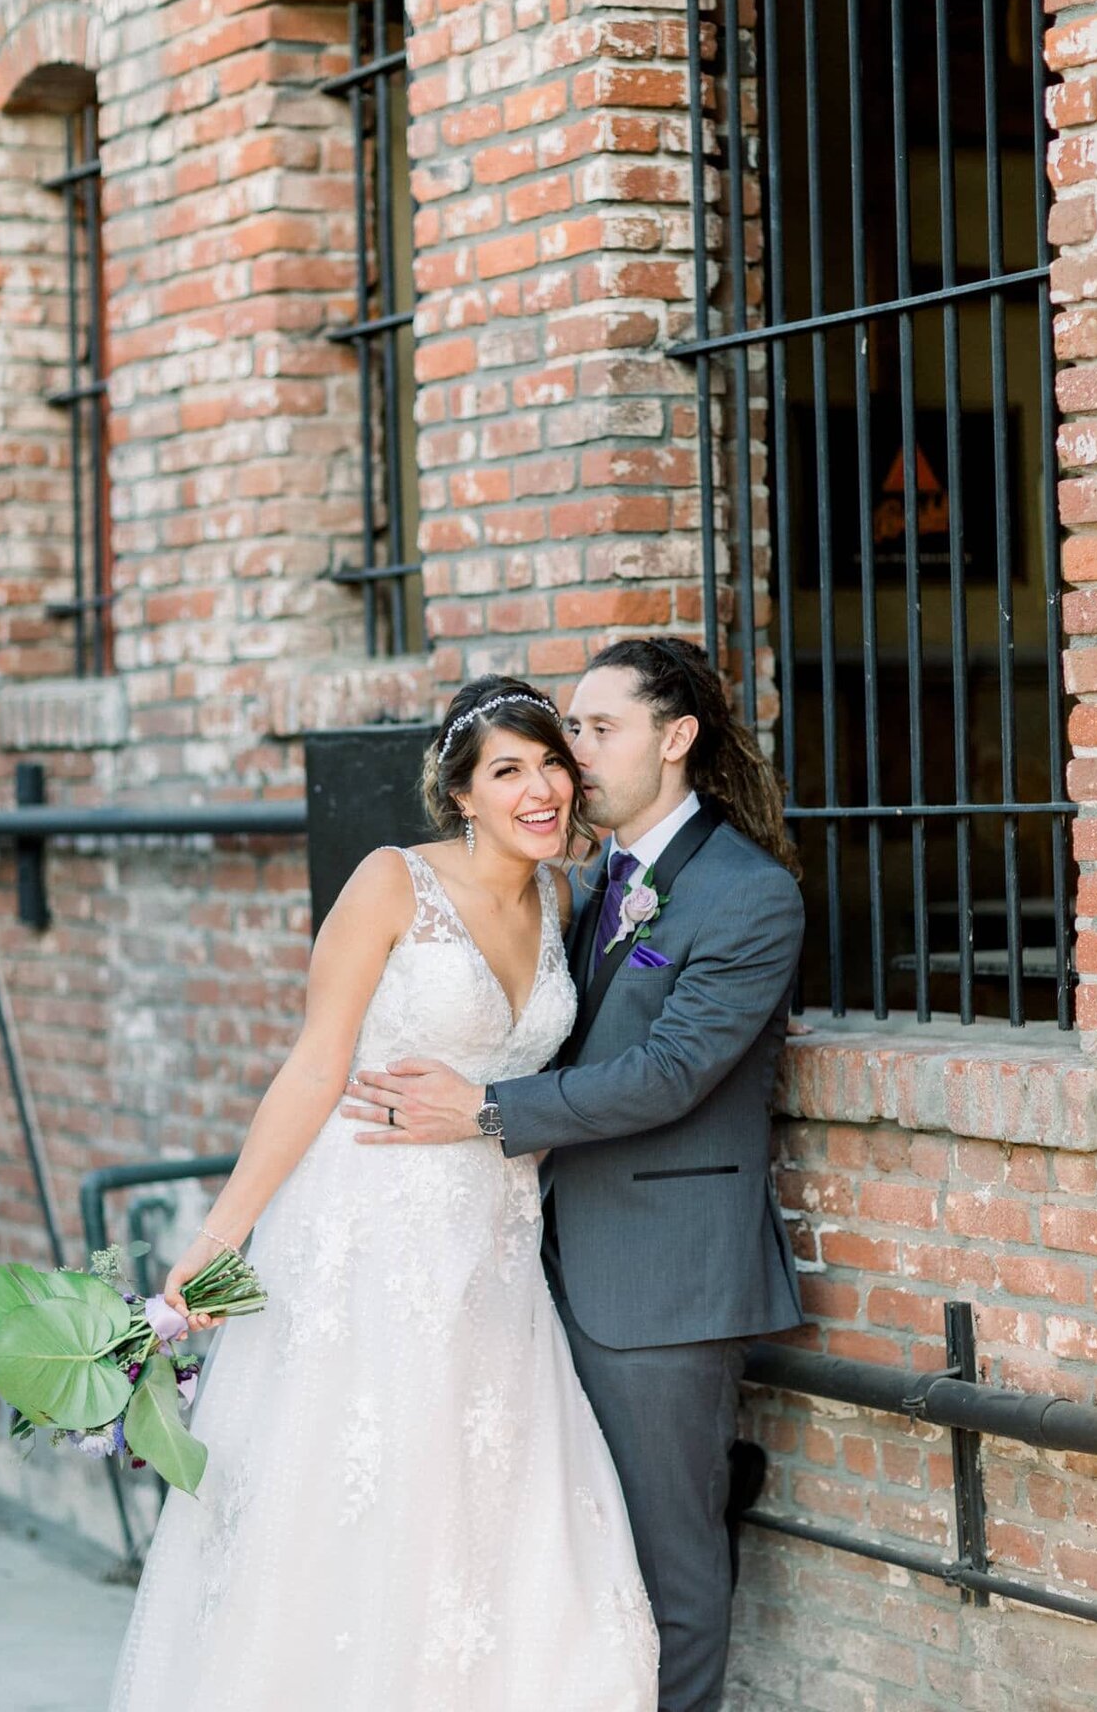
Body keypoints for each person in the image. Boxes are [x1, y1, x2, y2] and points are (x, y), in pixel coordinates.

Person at [108, 676, 659, 1712]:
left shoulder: (566, 894)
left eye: (550, 763)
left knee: (486, 1490)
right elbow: (315, 1070)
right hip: (367, 1231)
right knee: (368, 1486)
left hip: (495, 1244)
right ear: (460, 793)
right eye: (507, 771)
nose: (539, 789)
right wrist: (217, 1247)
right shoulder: (391, 883)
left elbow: (546, 1076)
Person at [343, 637, 806, 1712]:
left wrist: (488, 1110)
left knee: (671, 1564)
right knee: (575, 1557)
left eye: (599, 730)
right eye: (571, 730)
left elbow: (674, 1070)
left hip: (662, 1280)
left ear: (676, 738)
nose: (573, 754)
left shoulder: (748, 893)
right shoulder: (592, 881)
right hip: (539, 1260)